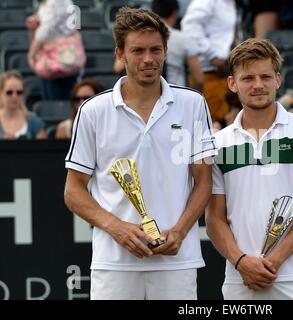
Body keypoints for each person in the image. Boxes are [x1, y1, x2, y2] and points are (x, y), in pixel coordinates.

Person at [63, 7, 216, 300]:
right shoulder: (93, 111)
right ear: (120, 54)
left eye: (155, 50)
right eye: (137, 50)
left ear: (166, 51)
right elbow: (73, 191)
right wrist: (116, 228)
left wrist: (180, 231)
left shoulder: (193, 104)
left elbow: (204, 181)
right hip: (114, 262)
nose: (148, 59)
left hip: (176, 259)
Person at [206, 39, 293, 300]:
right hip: (240, 281)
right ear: (232, 84)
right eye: (248, 78)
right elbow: (214, 220)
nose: (258, 85)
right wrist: (242, 262)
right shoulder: (217, 144)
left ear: (277, 80)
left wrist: (273, 262)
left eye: (265, 76)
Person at [181, 0, 238, 122]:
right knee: (213, 126)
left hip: (227, 71)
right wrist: (212, 55)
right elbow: (189, 25)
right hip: (209, 73)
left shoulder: (233, 4)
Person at [26, 0, 83, 100]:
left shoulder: (57, 1)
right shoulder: (45, 4)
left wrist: (31, 54)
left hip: (62, 60)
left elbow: (45, 31)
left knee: (59, 99)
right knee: (49, 98)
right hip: (50, 61)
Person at [151, 0, 203, 91]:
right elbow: (199, 79)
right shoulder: (184, 39)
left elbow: (118, 67)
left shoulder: (141, 38)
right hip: (177, 93)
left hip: (148, 94)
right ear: (175, 13)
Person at [0, 70, 46, 140]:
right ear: (1, 93)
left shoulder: (34, 121)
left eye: (19, 92)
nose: (14, 96)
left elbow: (43, 149)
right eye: (9, 92)